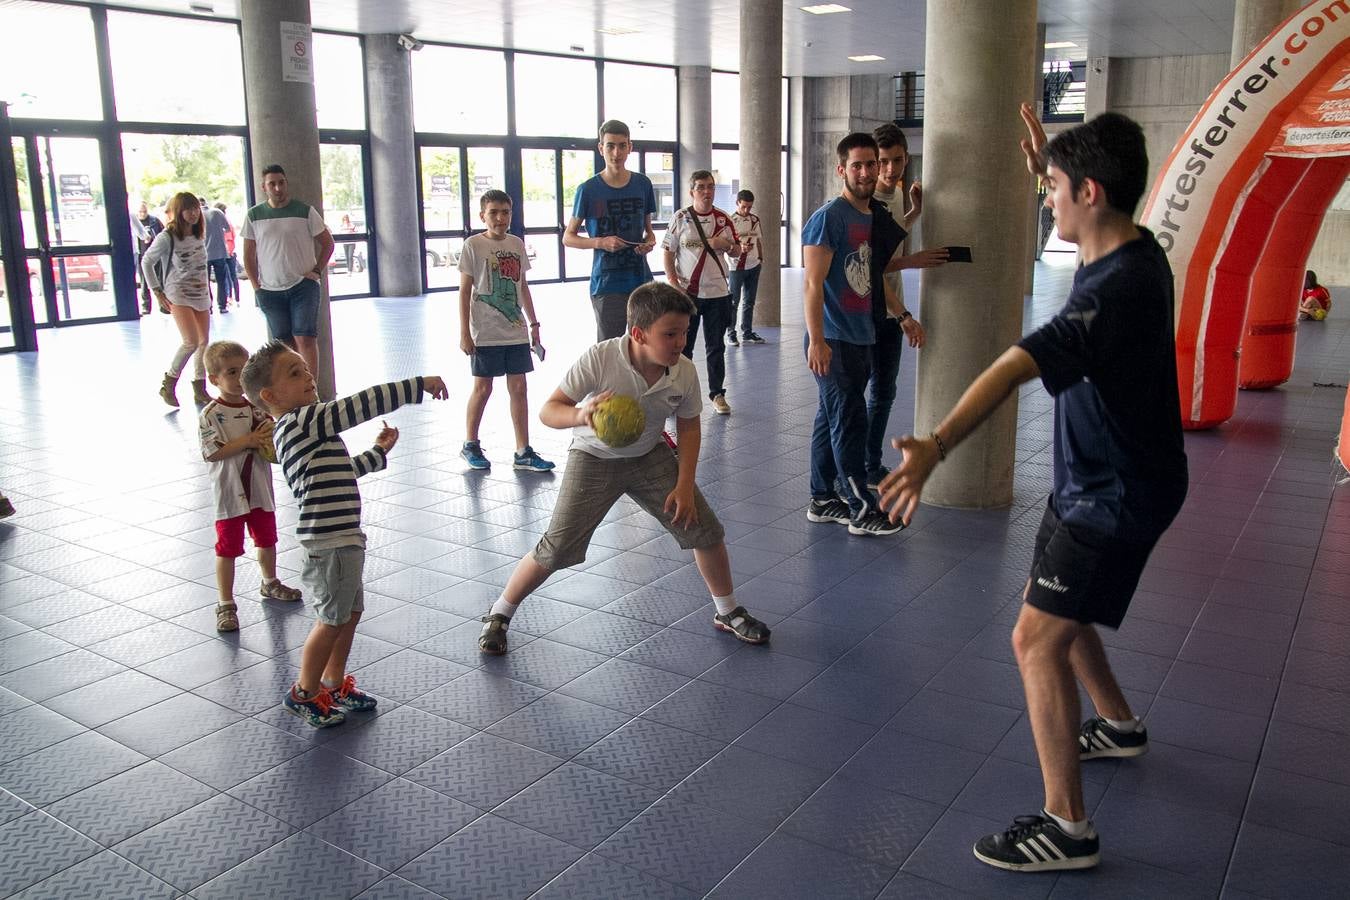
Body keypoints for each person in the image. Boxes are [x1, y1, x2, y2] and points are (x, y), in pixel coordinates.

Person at [879, 105, 1188, 872]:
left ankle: (1068, 827)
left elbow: (1014, 364)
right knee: (1059, 609)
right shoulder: (1126, 245)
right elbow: (1077, 206)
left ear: (1090, 192)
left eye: (1052, 188)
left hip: (1114, 494)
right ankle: (1116, 723)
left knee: (1033, 638)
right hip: (1094, 478)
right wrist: (1042, 163)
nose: (1045, 198)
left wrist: (937, 446)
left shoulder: (1111, 292)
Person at [476, 282, 771, 655]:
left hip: (649, 455)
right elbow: (550, 410)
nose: (681, 342)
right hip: (594, 458)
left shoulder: (681, 371)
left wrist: (684, 485)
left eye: (683, 332)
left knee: (706, 531)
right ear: (638, 333)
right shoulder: (600, 359)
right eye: (670, 334)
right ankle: (500, 612)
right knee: (557, 546)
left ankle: (728, 611)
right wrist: (581, 415)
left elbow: (689, 426)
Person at [242, 340, 449, 727]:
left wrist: (377, 452)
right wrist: (416, 384)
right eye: (294, 373)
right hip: (329, 544)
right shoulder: (300, 421)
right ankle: (304, 692)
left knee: (348, 614)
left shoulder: (307, 430)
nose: (307, 376)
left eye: (305, 369)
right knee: (331, 619)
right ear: (270, 396)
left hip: (344, 541)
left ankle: (334, 683)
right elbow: (359, 405)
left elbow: (343, 471)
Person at [801, 133, 904, 537]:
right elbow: (812, 284)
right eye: (856, 165)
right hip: (834, 338)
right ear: (841, 170)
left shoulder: (868, 217)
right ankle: (862, 508)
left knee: (831, 418)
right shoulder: (830, 216)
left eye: (871, 164)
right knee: (850, 420)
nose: (865, 172)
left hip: (860, 334)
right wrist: (817, 340)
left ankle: (823, 498)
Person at [198, 340, 302, 632]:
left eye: (243, 370)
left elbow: (272, 437)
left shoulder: (257, 409)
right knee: (227, 549)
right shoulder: (211, 414)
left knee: (267, 539)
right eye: (231, 372)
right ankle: (226, 603)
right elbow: (212, 452)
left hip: (259, 489)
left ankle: (270, 582)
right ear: (215, 379)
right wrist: (248, 441)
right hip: (229, 494)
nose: (238, 378)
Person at [865, 124, 945, 488]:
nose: (889, 169)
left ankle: (870, 462)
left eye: (896, 161)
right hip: (870, 310)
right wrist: (914, 263)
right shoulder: (866, 203)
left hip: (890, 309)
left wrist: (914, 211)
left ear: (905, 158)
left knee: (884, 391)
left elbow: (895, 234)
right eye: (882, 162)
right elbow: (872, 265)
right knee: (857, 395)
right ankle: (853, 466)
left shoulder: (895, 195)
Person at [457, 189, 554, 473]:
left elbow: (522, 286)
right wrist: (465, 332)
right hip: (485, 331)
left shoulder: (516, 244)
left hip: (515, 329)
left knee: (519, 387)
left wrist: (534, 324)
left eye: (505, 212)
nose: (500, 218)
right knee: (483, 387)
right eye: (494, 213)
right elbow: (464, 292)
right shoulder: (473, 245)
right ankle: (470, 443)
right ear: (482, 216)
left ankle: (523, 451)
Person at [564, 120, 658, 341]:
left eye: (622, 146)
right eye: (610, 146)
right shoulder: (588, 190)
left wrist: (649, 242)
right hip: (607, 284)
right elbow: (568, 237)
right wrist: (600, 242)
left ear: (630, 147)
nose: (617, 153)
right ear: (601, 148)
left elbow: (649, 232)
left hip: (641, 281)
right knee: (609, 351)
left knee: (645, 346)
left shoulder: (643, 184)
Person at [240, 164, 335, 380]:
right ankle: (292, 389)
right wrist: (257, 287)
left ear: (286, 184)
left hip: (303, 285)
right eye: (272, 184)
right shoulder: (254, 216)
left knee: (305, 337)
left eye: (281, 183)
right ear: (264, 187)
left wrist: (316, 271)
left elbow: (327, 243)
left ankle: (312, 390)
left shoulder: (305, 211)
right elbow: (248, 255)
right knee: (283, 344)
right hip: (270, 289)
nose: (277, 188)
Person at [663, 170, 740, 416]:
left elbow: (737, 251)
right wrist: (674, 285)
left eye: (710, 187)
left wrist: (725, 245)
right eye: (701, 187)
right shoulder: (681, 217)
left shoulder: (723, 218)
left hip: (718, 293)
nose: (707, 192)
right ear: (691, 191)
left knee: (716, 346)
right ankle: (678, 394)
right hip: (688, 295)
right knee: (681, 347)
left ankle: (717, 393)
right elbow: (668, 252)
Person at [142, 192, 213, 408]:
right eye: (187, 209)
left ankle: (200, 388)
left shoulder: (199, 233)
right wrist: (157, 291)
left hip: (201, 294)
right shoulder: (167, 236)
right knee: (190, 341)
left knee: (203, 342)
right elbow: (147, 261)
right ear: (178, 212)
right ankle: (169, 383)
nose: (193, 213)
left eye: (195, 209)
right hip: (179, 294)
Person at [727, 189, 767, 346]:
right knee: (734, 301)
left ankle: (747, 332)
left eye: (749, 207)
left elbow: (758, 241)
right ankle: (731, 333)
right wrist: (738, 248)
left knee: (749, 301)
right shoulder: (730, 221)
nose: (747, 210)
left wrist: (761, 258)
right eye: (744, 206)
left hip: (754, 265)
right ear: (737, 203)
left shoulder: (755, 220)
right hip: (736, 266)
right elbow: (726, 244)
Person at [131, 201, 164, 315]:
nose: (143, 213)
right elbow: (142, 235)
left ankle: (163, 305)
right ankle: (146, 306)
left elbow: (162, 233)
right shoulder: (134, 219)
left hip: (156, 255)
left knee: (159, 280)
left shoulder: (154, 221)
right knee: (144, 282)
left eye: (144, 211)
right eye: (140, 211)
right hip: (142, 254)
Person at [202, 198, 233, 314]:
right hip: (219, 252)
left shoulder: (198, 215)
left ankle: (208, 308)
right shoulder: (217, 212)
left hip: (204, 254)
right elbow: (228, 228)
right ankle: (222, 306)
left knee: (205, 282)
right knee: (221, 280)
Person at [215, 202, 242, 305]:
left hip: (227, 253)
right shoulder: (226, 222)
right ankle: (236, 298)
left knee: (228, 277)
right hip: (229, 252)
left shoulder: (224, 223)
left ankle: (231, 297)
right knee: (232, 276)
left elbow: (229, 239)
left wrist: (228, 252)